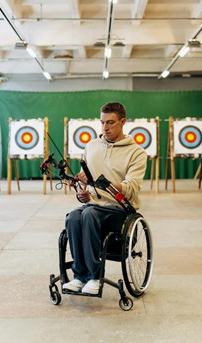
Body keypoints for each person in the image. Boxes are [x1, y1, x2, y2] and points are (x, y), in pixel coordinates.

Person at [63, 102, 147, 294]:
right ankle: (79, 276)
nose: (105, 128)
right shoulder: (91, 146)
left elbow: (131, 188)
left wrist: (104, 182)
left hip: (121, 211)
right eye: (102, 123)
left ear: (123, 122)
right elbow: (85, 183)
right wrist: (82, 192)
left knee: (89, 214)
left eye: (110, 123)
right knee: (73, 216)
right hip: (93, 207)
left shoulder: (137, 153)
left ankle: (94, 276)